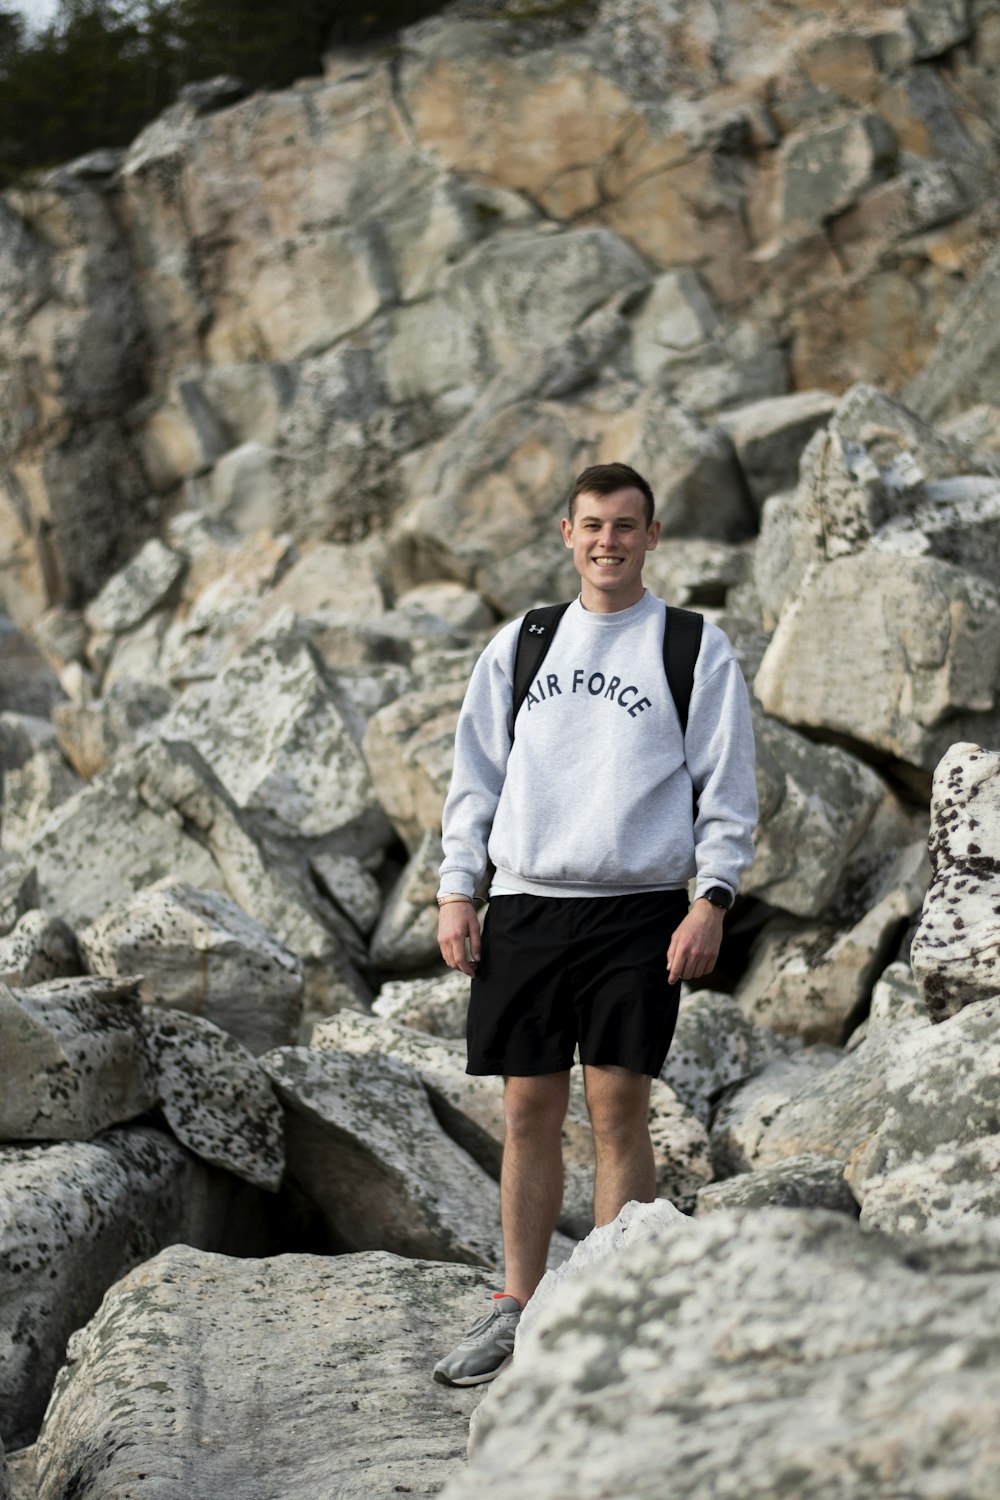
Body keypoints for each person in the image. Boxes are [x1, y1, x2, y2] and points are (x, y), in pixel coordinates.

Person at [431, 462, 757, 1387]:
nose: (608, 541)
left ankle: (608, 1315)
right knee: (528, 1111)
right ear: (565, 535)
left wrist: (713, 896)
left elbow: (726, 787)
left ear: (653, 537)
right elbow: (476, 777)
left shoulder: (693, 644)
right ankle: (516, 1307)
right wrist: (461, 889)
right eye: (592, 526)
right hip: (528, 904)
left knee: (619, 1115)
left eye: (626, 525)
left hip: (641, 913)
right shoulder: (524, 642)